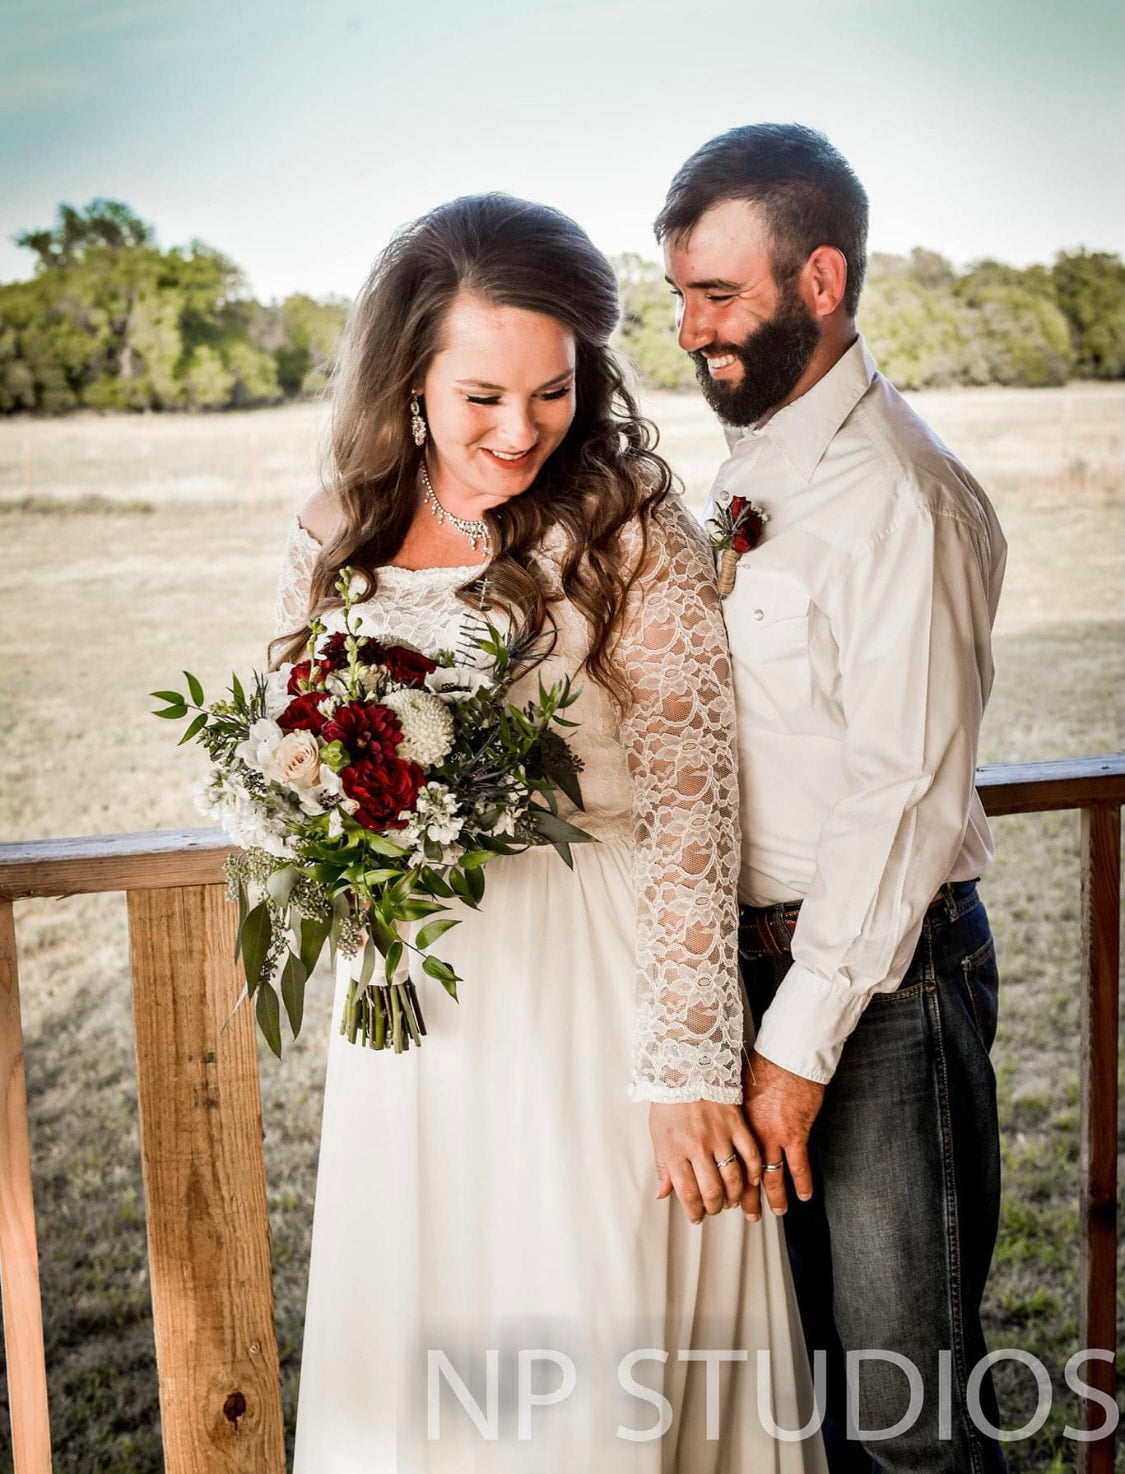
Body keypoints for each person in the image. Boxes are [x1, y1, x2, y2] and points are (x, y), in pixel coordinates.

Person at [273, 194, 827, 1472]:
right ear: (409, 376)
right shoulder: (332, 530)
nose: (522, 432)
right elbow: (298, 741)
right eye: (481, 398)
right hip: (416, 1012)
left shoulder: (628, 524)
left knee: (590, 1344)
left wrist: (689, 1063)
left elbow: (695, 786)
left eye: (554, 390)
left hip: (599, 992)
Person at [658, 126, 1008, 1474]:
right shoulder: (755, 467)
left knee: (908, 1423)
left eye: (717, 295)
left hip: (876, 996)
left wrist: (796, 1049)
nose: (690, 330)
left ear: (818, 279)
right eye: (680, 293)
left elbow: (904, 799)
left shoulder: (900, 500)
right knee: (803, 1408)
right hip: (760, 980)